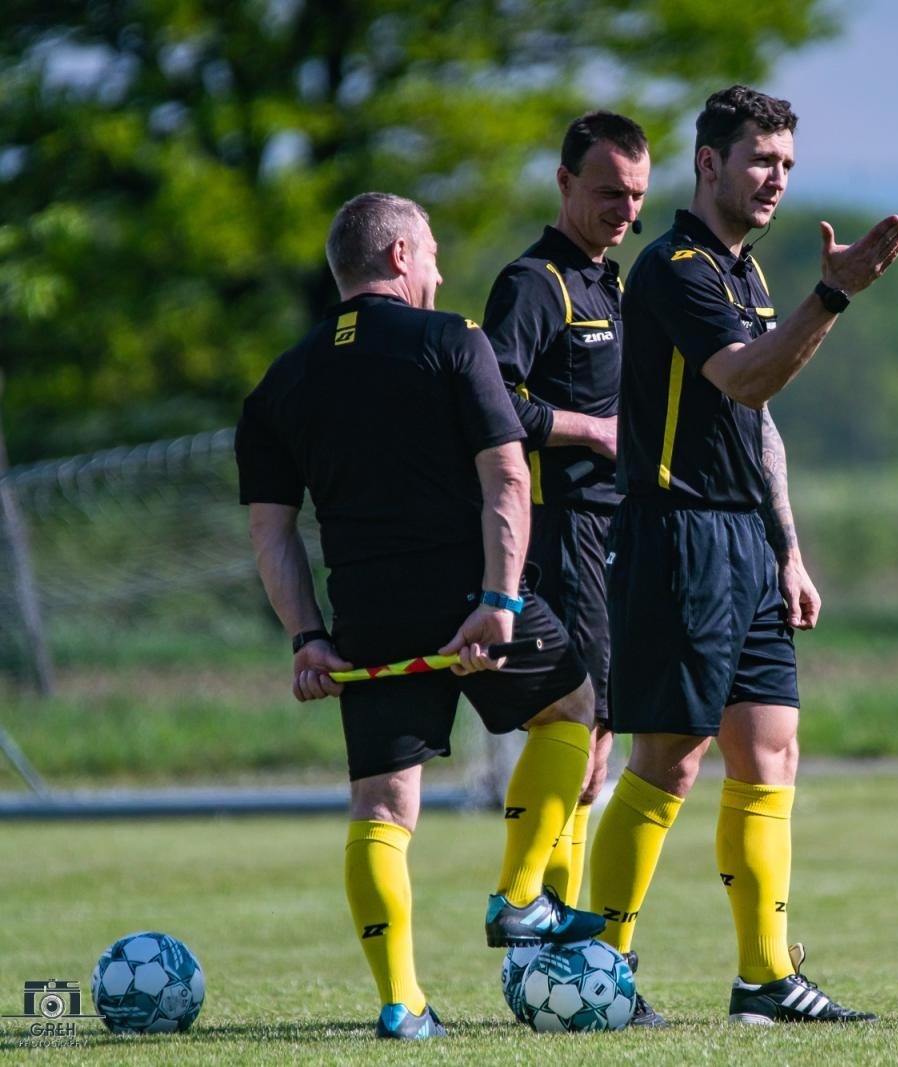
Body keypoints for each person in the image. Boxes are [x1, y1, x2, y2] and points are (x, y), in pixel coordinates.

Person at [236, 192, 606, 1040]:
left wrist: (308, 637)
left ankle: (402, 1004)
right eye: (432, 253)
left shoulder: (281, 380)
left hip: (365, 617)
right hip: (469, 596)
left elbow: (270, 530)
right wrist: (500, 600)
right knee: (572, 708)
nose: (438, 270)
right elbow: (507, 478)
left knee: (380, 809)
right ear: (401, 255)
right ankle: (521, 897)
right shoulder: (453, 341)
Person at [583, 85, 898, 1024]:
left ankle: (765, 977)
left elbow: (759, 424)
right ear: (709, 163)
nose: (776, 178)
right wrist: (834, 294)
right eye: (761, 160)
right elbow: (748, 376)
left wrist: (789, 550)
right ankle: (601, 972)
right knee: (669, 760)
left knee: (772, 751)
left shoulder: (747, 276)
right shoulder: (675, 268)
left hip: (747, 544)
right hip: (678, 536)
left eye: (788, 165)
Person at [479, 111, 660, 1024]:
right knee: (576, 726)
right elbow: (492, 399)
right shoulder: (533, 282)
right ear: (563, 183)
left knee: (596, 750)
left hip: (616, 533)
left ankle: (557, 972)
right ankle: (533, 926)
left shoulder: (612, 281)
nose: (625, 210)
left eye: (637, 196)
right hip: (558, 534)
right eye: (608, 193)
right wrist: (596, 430)